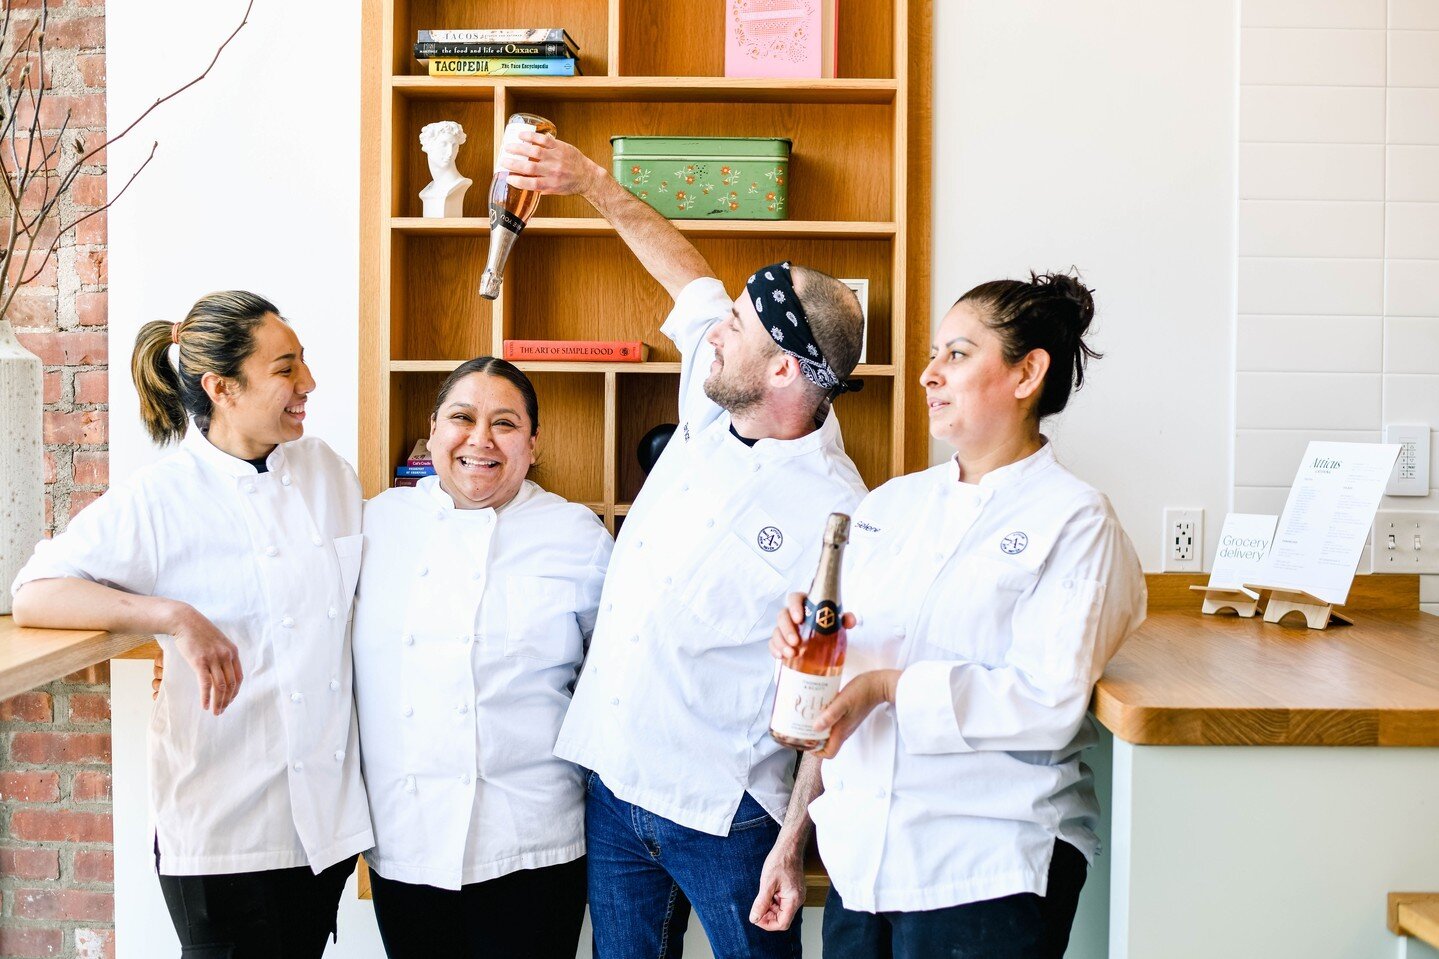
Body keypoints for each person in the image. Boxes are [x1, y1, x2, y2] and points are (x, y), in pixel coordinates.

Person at [498, 131, 867, 957]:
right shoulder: (712, 403)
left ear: (783, 372)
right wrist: (587, 179)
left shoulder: (841, 516)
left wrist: (790, 837)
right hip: (613, 777)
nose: (711, 333)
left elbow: (829, 700)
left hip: (727, 812)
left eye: (733, 325)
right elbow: (685, 270)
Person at [770, 272, 1147, 959]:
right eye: (933, 354)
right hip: (862, 864)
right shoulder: (886, 506)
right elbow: (834, 686)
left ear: (1027, 371)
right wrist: (800, 643)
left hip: (987, 864)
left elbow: (1047, 700)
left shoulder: (1074, 518)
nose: (927, 374)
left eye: (956, 354)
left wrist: (887, 686)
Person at [12, 292, 371, 958]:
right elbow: (35, 592)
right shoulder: (159, 498)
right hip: (223, 831)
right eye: (286, 368)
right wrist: (171, 615)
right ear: (221, 388)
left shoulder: (327, 472)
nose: (308, 384)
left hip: (321, 827)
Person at [352, 357, 611, 959]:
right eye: (462, 418)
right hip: (407, 836)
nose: (480, 440)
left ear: (534, 444)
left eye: (505, 423)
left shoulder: (578, 537)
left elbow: (610, 680)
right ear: (433, 429)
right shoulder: (376, 525)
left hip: (534, 839)